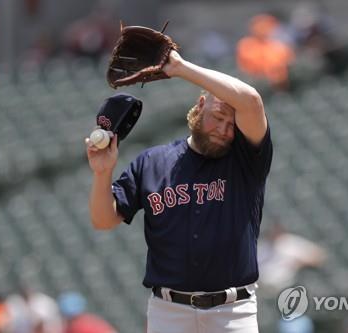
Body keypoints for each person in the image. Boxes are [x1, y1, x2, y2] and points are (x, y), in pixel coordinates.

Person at [86, 50, 273, 333]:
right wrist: (103, 173)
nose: (224, 129)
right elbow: (102, 220)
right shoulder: (151, 162)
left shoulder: (246, 159)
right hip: (168, 312)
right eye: (219, 116)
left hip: (232, 313)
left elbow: (251, 101)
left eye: (231, 125)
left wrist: (180, 67)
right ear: (200, 105)